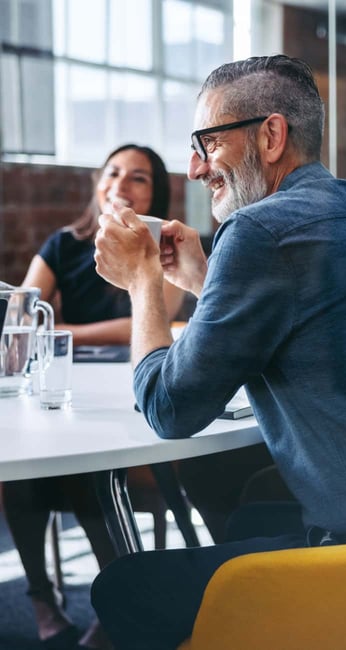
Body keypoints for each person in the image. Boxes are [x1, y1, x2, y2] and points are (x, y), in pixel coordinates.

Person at [91, 55, 346, 650]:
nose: (195, 168)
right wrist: (205, 278)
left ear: (271, 135)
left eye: (207, 142)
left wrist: (145, 280)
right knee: (251, 512)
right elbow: (304, 322)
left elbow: (169, 409)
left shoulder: (259, 233)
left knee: (123, 588)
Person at [2, 144, 184, 650]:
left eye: (140, 178)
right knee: (26, 469)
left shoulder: (162, 245)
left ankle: (114, 602)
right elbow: (21, 315)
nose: (122, 183)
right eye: (114, 172)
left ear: (158, 193)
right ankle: (40, 597)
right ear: (98, 183)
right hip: (67, 390)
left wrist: (65, 332)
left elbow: (150, 321)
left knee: (88, 464)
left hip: (132, 389)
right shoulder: (64, 244)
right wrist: (43, 325)